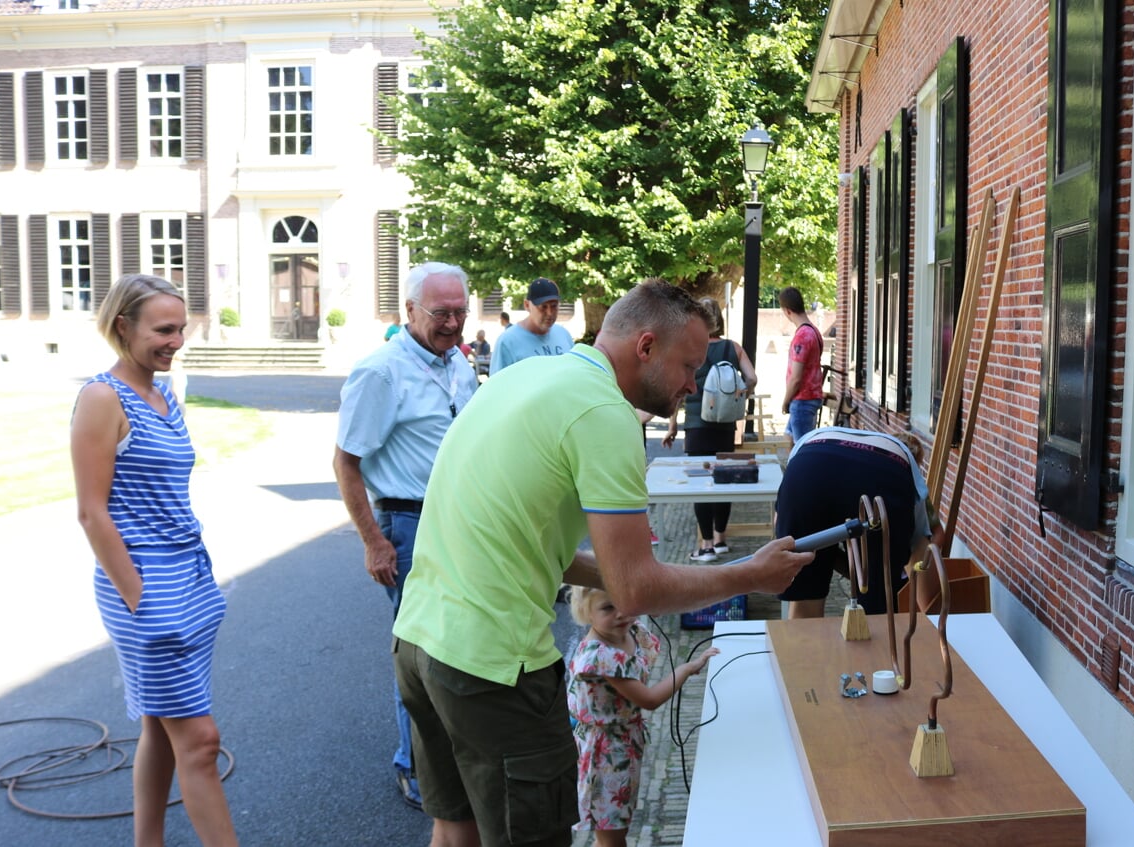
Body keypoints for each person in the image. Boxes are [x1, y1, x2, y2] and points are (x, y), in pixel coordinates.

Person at [391, 277, 813, 847]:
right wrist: (750, 574)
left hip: (420, 643)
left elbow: (532, 544)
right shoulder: (604, 412)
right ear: (645, 348)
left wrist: (622, 569)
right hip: (493, 667)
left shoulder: (528, 376)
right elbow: (635, 591)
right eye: (690, 365)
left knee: (455, 828)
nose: (696, 382)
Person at [70, 274, 237, 846]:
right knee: (200, 740)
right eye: (164, 330)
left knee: (160, 728)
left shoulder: (164, 392)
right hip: (146, 588)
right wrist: (138, 597)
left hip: (188, 574)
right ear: (123, 326)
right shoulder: (101, 398)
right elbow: (92, 512)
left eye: (181, 328)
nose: (177, 340)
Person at [333, 261, 478, 811]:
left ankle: (444, 761)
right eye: (442, 313)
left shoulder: (457, 364)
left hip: (459, 523)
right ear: (410, 311)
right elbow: (347, 464)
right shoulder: (381, 372)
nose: (453, 323)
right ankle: (415, 768)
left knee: (456, 647)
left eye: (461, 312)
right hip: (410, 524)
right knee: (419, 653)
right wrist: (374, 540)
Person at [567, 586, 719, 847]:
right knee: (612, 837)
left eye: (624, 602)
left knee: (614, 829)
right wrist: (686, 669)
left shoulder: (628, 630)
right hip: (604, 757)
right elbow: (649, 699)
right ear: (586, 612)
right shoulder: (601, 657)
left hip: (623, 746)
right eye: (607, 608)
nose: (621, 613)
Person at [775, 426, 932, 619]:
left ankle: (803, 646)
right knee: (879, 606)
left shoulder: (809, 440)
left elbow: (784, 536)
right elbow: (921, 551)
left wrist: (820, 560)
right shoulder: (909, 472)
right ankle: (877, 644)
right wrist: (929, 613)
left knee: (805, 598)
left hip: (809, 465)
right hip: (883, 476)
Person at [662, 297, 758, 562]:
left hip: (696, 426)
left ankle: (705, 547)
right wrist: (740, 393)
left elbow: (676, 391)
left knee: (700, 485)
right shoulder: (733, 348)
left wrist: (672, 426)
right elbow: (752, 378)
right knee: (723, 481)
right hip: (725, 426)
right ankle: (721, 539)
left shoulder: (689, 349)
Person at [490, 276, 575, 374]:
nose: (550, 313)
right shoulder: (508, 341)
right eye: (543, 307)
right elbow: (497, 385)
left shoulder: (563, 334)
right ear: (527, 305)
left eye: (554, 306)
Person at [778, 286, 824, 445]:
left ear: (787, 311)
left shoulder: (802, 336)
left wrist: (785, 400)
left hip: (802, 400)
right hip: (810, 397)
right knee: (788, 438)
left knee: (801, 448)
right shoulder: (814, 331)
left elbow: (796, 378)